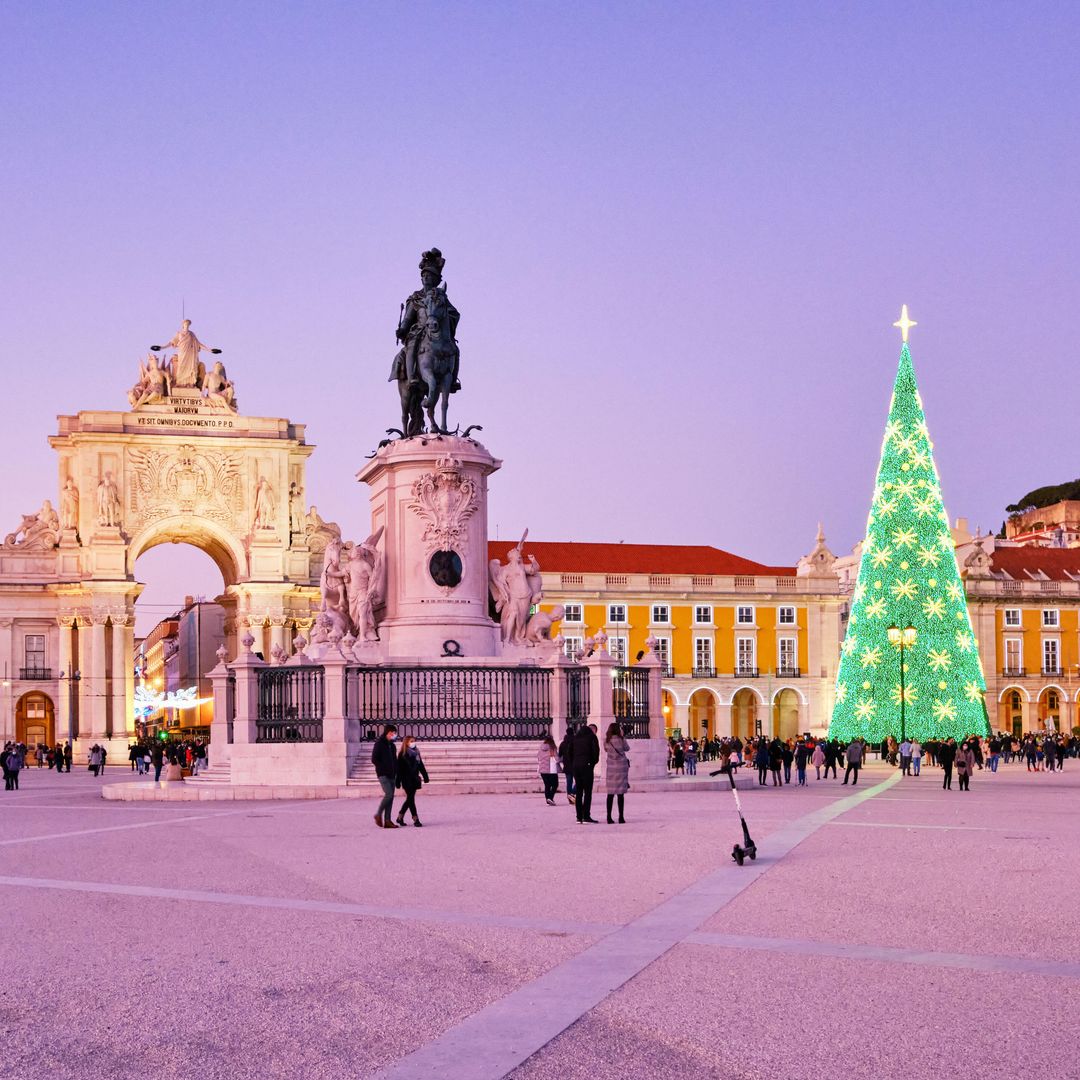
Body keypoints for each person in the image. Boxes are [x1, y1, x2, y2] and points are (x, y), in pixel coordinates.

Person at [395, 736, 430, 826]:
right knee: (411, 799)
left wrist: (425, 776)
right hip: (406, 779)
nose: (413, 742)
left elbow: (420, 765)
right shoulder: (402, 754)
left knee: (409, 799)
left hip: (414, 779)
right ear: (406, 743)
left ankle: (400, 817)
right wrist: (397, 781)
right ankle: (415, 819)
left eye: (414, 741)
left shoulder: (416, 753)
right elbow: (399, 770)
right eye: (411, 741)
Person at [572, 722, 600, 824]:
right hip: (587, 766)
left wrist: (574, 763)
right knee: (587, 792)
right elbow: (596, 753)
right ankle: (586, 816)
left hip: (576, 766)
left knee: (579, 792)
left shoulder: (575, 738)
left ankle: (579, 817)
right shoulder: (592, 738)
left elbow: (569, 752)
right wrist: (591, 763)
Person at [371, 724, 399, 829]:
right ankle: (378, 814)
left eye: (394, 733)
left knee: (391, 797)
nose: (393, 735)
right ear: (387, 733)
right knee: (389, 794)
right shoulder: (379, 744)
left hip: (392, 774)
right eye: (392, 733)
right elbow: (374, 759)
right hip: (383, 774)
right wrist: (383, 768)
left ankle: (387, 820)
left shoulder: (392, 746)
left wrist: (396, 771)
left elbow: (395, 760)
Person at [604, 721, 630, 824]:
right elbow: (627, 748)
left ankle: (609, 817)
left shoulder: (606, 740)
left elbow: (606, 750)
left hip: (611, 768)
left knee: (610, 794)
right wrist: (623, 736)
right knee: (620, 795)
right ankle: (621, 817)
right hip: (621, 768)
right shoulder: (621, 739)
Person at [538, 735, 559, 805]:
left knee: (547, 785)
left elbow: (538, 757)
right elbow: (557, 758)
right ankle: (550, 798)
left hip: (542, 769)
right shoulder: (552, 747)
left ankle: (548, 799)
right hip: (551, 769)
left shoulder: (541, 747)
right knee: (555, 784)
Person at [558, 728, 577, 805]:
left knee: (569, 782)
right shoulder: (576, 741)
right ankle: (572, 793)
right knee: (578, 781)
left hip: (567, 765)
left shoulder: (563, 743)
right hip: (575, 764)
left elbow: (560, 755)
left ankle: (569, 796)